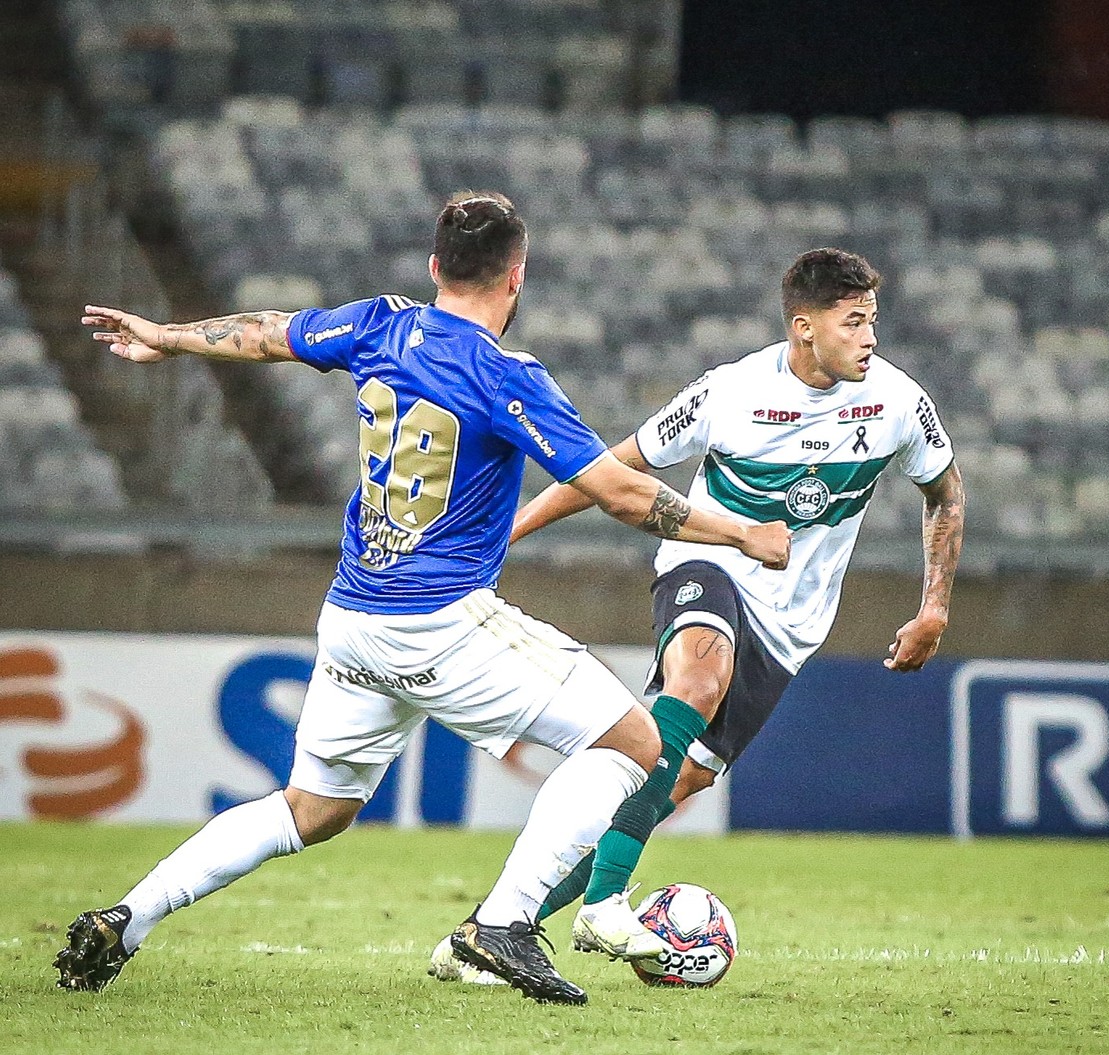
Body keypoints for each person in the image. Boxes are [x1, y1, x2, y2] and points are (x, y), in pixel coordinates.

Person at [55, 191, 792, 1006]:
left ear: (435, 266)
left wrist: (169, 336)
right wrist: (739, 534)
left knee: (310, 809)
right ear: (517, 277)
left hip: (352, 619)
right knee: (632, 741)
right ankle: (505, 922)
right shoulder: (506, 374)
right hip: (439, 620)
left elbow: (267, 331)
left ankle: (130, 915)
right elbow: (616, 491)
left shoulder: (379, 324)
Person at [432, 246, 965, 978]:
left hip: (791, 624)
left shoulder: (898, 401)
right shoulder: (729, 392)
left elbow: (946, 491)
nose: (870, 335)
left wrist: (934, 604)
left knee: (673, 782)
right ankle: (604, 903)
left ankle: (491, 931)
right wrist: (506, 534)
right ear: (804, 327)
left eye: (873, 318)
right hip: (706, 562)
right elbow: (611, 469)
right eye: (853, 321)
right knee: (699, 678)